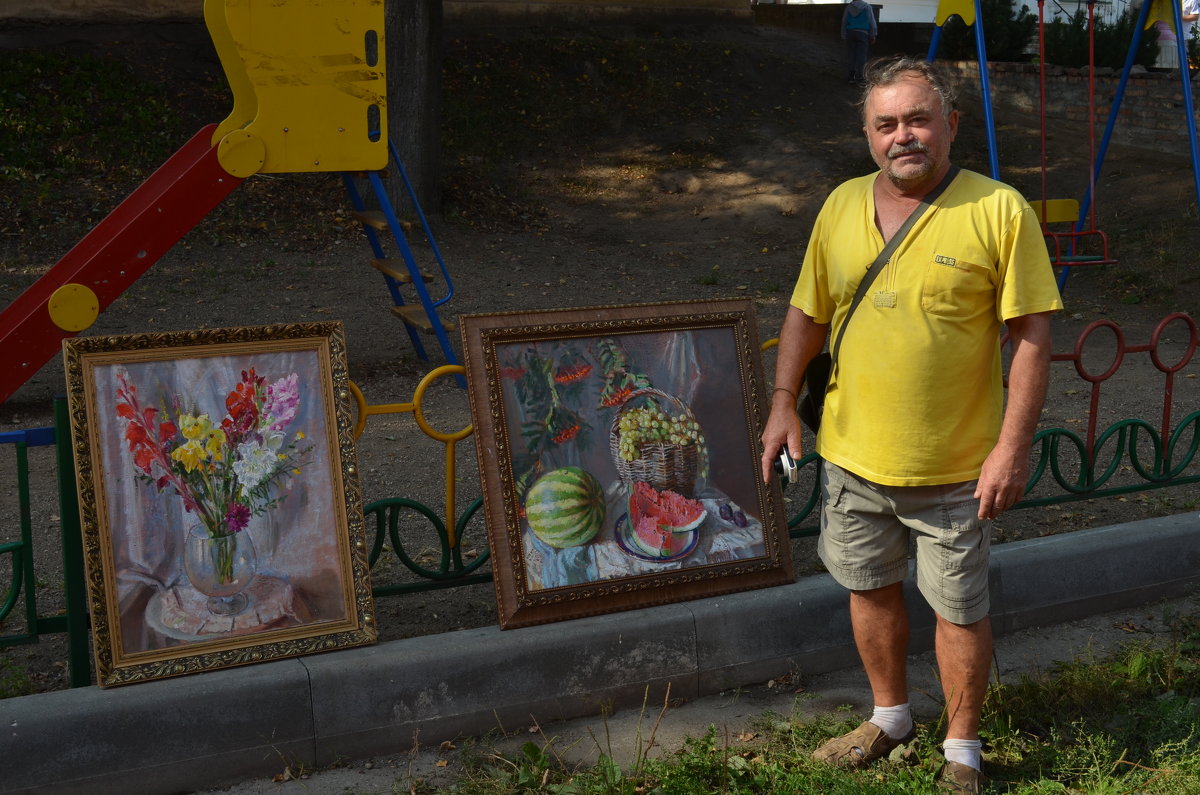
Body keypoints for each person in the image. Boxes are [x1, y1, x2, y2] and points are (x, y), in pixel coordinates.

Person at [759, 56, 1062, 793]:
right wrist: (779, 401)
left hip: (957, 466)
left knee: (959, 609)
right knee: (869, 588)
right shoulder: (838, 206)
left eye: (919, 119)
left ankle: (962, 748)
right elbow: (808, 311)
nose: (905, 136)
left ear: (951, 125)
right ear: (868, 134)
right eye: (887, 123)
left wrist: (1012, 447)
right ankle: (890, 714)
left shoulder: (1000, 210)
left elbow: (1031, 335)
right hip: (855, 457)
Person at [1153, 0, 1199, 71]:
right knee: (1165, 64)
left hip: (1184, 37)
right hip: (1167, 36)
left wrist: (1178, 17)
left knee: (1180, 63)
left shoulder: (1191, 0)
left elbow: (1195, 16)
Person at [841, 0, 878, 84]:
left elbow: (844, 21)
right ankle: (861, 77)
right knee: (862, 56)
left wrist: (843, 35)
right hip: (862, 33)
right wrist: (873, 34)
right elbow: (872, 21)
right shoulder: (867, 7)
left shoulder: (849, 7)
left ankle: (851, 77)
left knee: (851, 55)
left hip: (850, 33)